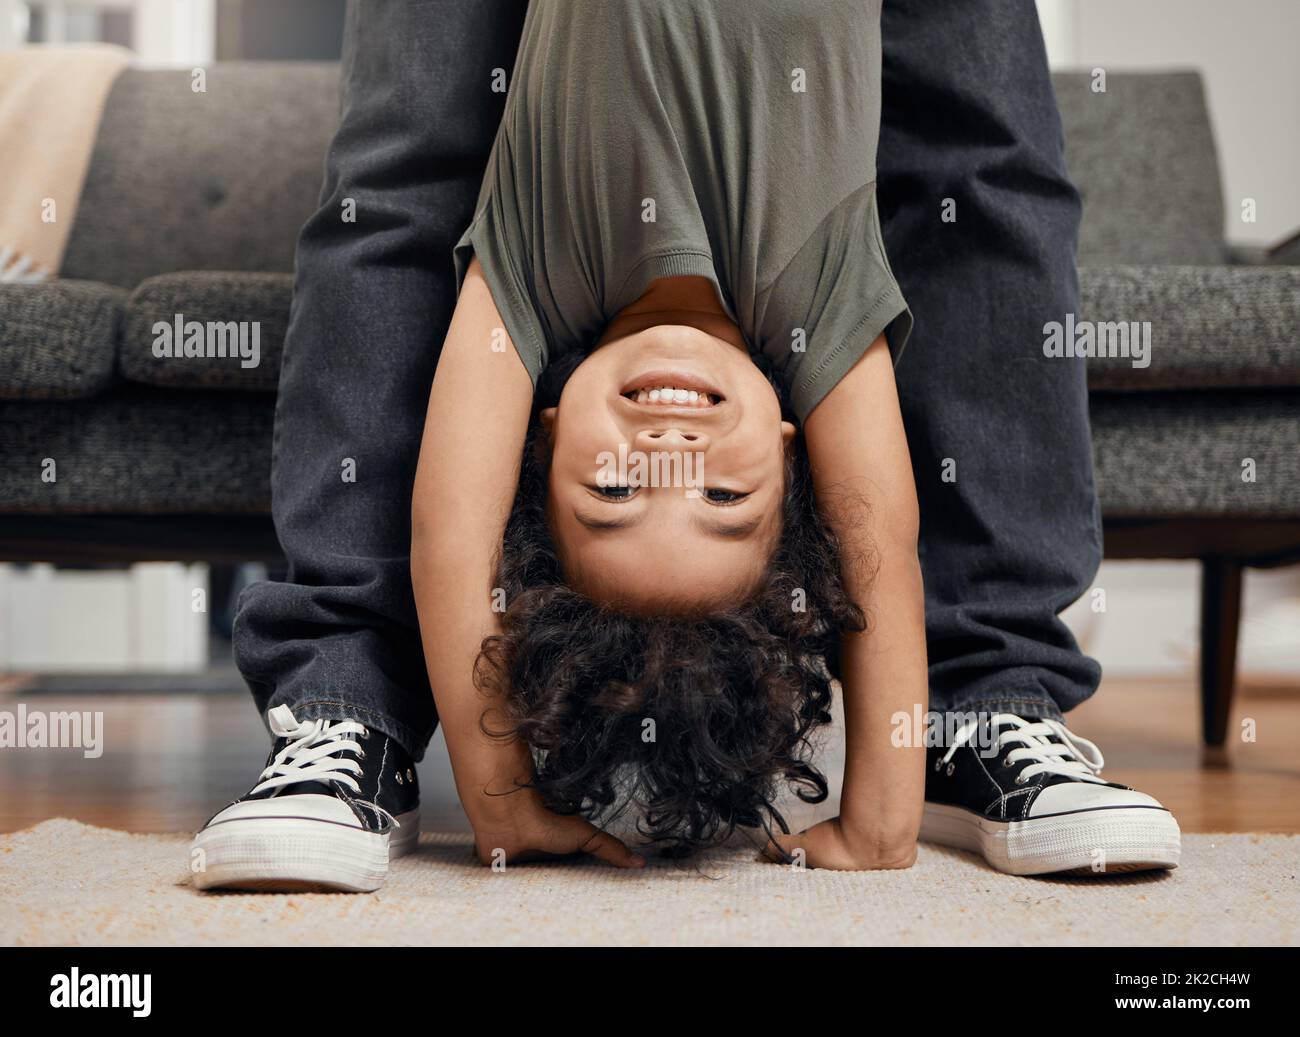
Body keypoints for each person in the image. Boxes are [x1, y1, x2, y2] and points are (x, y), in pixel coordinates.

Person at [192, 0, 1180, 893]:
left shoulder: (529, 273)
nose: (670, 447)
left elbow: (447, 524)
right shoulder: (821, 298)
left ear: (540, 440)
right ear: (798, 461)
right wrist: (881, 808)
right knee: (990, 159)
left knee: (399, 163)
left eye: (616, 488)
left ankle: (347, 706)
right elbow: (882, 529)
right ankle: (979, 706)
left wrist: (497, 797)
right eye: (722, 500)